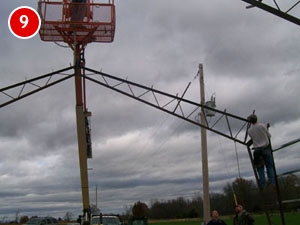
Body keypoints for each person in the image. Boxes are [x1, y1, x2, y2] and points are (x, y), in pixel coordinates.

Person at [247, 114, 275, 189]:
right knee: (269, 166)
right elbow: (269, 136)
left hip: (257, 151)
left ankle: (263, 185)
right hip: (265, 148)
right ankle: (272, 183)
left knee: (260, 168)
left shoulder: (249, 130)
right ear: (256, 119)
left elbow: (252, 138)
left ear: (250, 121)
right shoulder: (262, 126)